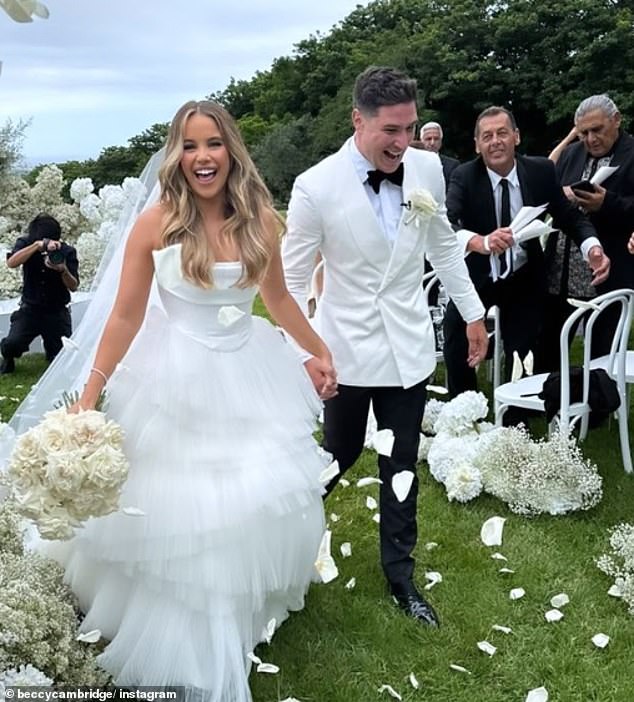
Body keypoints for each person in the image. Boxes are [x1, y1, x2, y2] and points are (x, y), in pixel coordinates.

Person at [44, 100, 337, 700]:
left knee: (251, 500)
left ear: (232, 150)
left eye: (213, 144)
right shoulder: (156, 223)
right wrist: (92, 391)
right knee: (181, 509)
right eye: (190, 146)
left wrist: (316, 350)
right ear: (176, 156)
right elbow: (125, 315)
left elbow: (278, 300)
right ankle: (184, 630)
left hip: (248, 370)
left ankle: (240, 611)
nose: (202, 158)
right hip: (172, 376)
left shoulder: (260, 219)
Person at [283, 66, 488, 628]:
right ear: (358, 120)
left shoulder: (425, 169)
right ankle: (278, 546)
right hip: (344, 356)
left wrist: (472, 313)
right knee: (336, 458)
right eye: (390, 131)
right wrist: (306, 351)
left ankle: (401, 578)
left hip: (409, 355)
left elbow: (444, 246)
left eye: (409, 127)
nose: (402, 142)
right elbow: (290, 282)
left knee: (401, 465)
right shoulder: (315, 186)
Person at [443, 106, 609, 398]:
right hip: (477, 276)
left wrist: (592, 247)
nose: (495, 141)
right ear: (477, 145)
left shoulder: (540, 171)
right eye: (487, 136)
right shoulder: (464, 176)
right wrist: (481, 241)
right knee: (457, 339)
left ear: (516, 137)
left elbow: (568, 215)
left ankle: (515, 420)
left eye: (502, 133)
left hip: (523, 276)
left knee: (525, 349)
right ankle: (463, 412)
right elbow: (448, 223)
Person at [538, 94, 634, 366]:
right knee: (549, 349)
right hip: (560, 271)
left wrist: (608, 203)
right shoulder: (571, 153)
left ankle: (597, 406)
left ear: (616, 120)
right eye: (583, 133)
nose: (591, 139)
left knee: (602, 355)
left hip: (608, 271)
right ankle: (554, 404)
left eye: (597, 130)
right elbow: (550, 195)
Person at [0, 214, 79, 374]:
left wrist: (63, 270)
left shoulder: (67, 251)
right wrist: (36, 246)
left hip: (56, 312)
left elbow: (74, 286)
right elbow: (11, 263)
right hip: (30, 309)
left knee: (62, 356)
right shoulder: (26, 244)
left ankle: (52, 350)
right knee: (12, 344)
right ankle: (8, 358)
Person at [418, 121, 460, 187]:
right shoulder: (412, 163)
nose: (432, 143)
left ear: (441, 141)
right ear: (421, 141)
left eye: (436, 139)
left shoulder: (452, 166)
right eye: (428, 139)